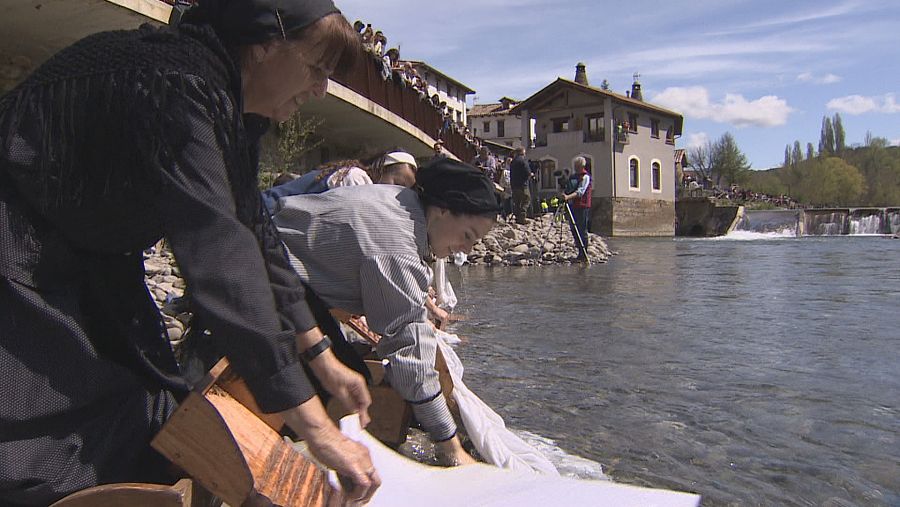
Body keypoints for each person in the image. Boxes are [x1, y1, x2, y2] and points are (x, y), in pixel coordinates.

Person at [0, 1, 380, 504]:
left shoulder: (228, 104)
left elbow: (254, 235)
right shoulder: (176, 84)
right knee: (41, 425)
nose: (320, 90)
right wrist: (314, 425)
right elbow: (219, 260)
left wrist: (321, 355)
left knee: (148, 400)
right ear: (264, 44)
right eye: (316, 69)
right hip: (20, 242)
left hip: (91, 255)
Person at [273, 158, 498, 467]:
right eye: (468, 236)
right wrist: (450, 444)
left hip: (278, 266)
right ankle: (281, 458)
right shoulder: (397, 245)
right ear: (443, 210)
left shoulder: (400, 202)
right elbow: (409, 350)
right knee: (338, 383)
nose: (465, 250)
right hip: (264, 275)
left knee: (352, 371)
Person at [261, 149, 418, 211]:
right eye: (397, 184)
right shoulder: (355, 178)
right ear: (381, 170)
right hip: (265, 212)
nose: (397, 194)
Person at [562, 156, 592, 261]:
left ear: (581, 166)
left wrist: (568, 197)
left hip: (582, 206)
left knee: (581, 229)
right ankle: (579, 251)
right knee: (574, 229)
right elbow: (569, 188)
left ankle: (584, 254)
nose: (575, 168)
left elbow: (580, 191)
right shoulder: (573, 177)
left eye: (576, 166)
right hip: (573, 206)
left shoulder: (585, 177)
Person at [509, 147, 532, 225]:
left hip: (514, 185)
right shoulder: (523, 161)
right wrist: (531, 175)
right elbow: (528, 173)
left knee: (517, 202)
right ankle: (522, 217)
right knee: (526, 199)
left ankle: (517, 217)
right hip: (522, 185)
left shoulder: (512, 162)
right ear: (522, 153)